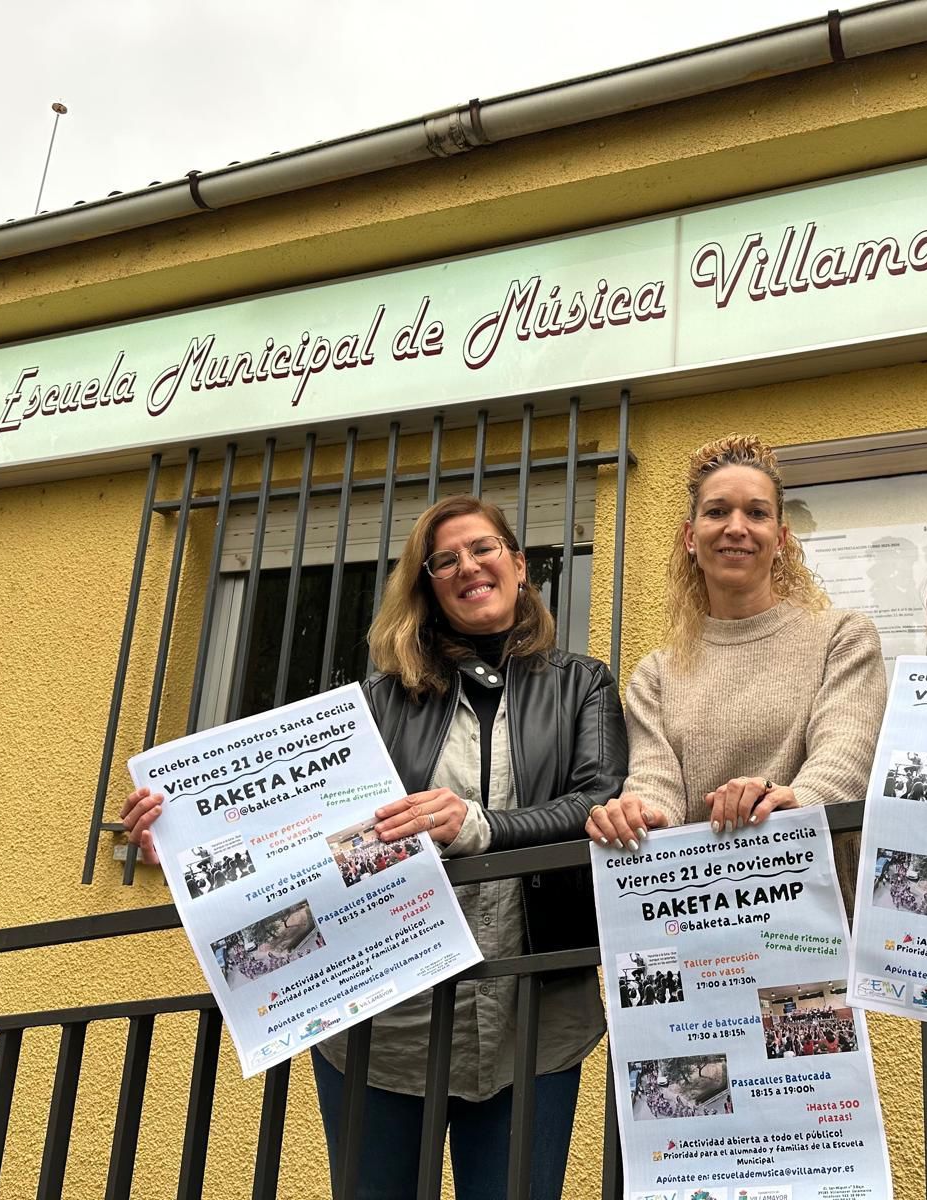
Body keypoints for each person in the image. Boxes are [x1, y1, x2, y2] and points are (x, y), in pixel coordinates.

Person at [123, 494, 627, 1200]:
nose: (467, 566)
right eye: (444, 559)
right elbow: (301, 827)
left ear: (518, 563)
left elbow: (598, 802)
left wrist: (480, 827)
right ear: (427, 587)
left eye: (483, 548)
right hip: (384, 1028)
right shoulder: (376, 703)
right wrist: (182, 844)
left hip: (535, 1020)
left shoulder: (584, 683)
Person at [584, 434, 885, 902]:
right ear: (691, 536)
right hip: (710, 921)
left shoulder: (842, 636)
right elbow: (655, 785)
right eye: (717, 511)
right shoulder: (656, 674)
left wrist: (791, 800)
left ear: (781, 539)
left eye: (757, 513)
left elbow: (845, 759)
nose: (736, 527)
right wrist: (635, 814)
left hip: (820, 913)